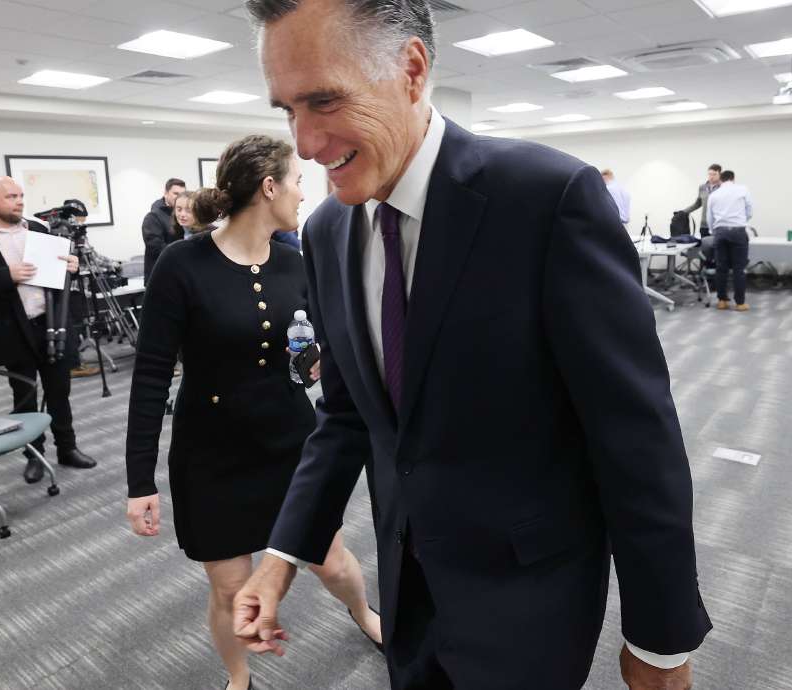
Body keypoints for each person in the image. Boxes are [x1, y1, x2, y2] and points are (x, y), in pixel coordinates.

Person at [231, 2, 711, 689]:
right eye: (286, 110)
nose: (304, 143)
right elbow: (345, 415)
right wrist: (282, 553)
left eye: (325, 100)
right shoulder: (328, 232)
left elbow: (635, 435)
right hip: (407, 587)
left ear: (412, 70)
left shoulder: (545, 199)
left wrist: (662, 639)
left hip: (528, 599)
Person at [124, 135, 381, 690]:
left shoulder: (296, 261)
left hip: (291, 443)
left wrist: (312, 361)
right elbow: (149, 376)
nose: (301, 194)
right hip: (212, 456)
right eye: (295, 182)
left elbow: (315, 345)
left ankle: (363, 612)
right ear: (269, 188)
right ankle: (238, 678)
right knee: (230, 588)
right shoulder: (181, 264)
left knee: (332, 563)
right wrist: (139, 479)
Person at [0, 176, 97, 483]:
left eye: (20, 195)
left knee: (60, 393)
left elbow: (58, 277)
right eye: (11, 196)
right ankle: (34, 455)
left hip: (52, 324)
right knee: (24, 397)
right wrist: (6, 276)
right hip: (10, 330)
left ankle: (67, 448)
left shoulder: (39, 230)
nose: (19, 201)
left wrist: (72, 267)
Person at [706, 169, 753, 311]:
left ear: (721, 179)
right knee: (739, 268)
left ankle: (722, 301)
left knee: (721, 268)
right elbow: (749, 210)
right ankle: (740, 303)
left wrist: (714, 231)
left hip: (720, 232)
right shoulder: (743, 190)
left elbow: (710, 217)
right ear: (733, 179)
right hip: (738, 231)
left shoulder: (714, 194)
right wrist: (741, 221)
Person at [142, 177, 187, 282]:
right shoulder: (153, 216)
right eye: (175, 193)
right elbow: (155, 247)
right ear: (166, 193)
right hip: (159, 276)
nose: (179, 197)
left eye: (182, 194)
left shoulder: (183, 214)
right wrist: (184, 253)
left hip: (179, 274)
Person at [678, 163, 722, 236]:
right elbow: (697, 204)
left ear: (720, 174)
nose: (711, 177)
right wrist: (683, 212)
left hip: (718, 225)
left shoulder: (724, 188)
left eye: (714, 174)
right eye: (710, 174)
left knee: (718, 247)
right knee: (705, 246)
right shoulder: (702, 187)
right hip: (704, 226)